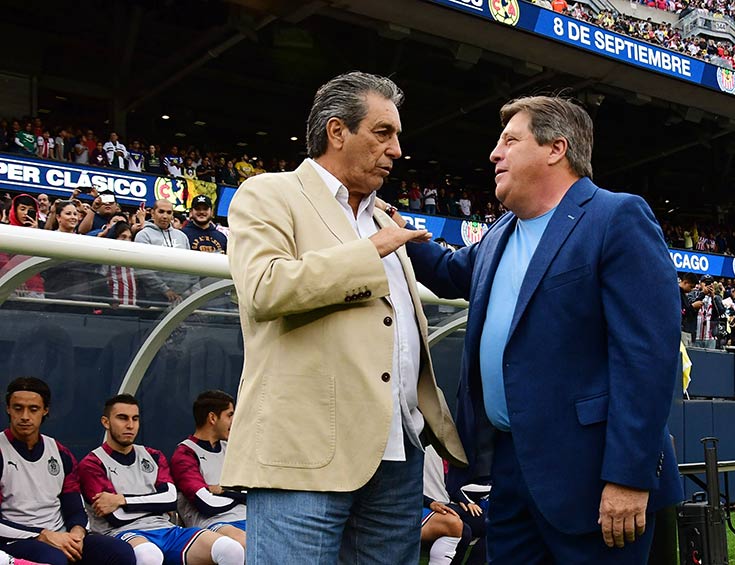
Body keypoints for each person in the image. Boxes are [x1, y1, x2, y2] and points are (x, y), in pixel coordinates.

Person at [399, 95, 683, 563]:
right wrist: (392, 227)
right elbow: (451, 272)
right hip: (511, 470)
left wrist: (629, 476)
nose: (495, 154)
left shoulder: (616, 217)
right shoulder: (499, 232)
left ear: (556, 148)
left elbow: (647, 360)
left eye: (510, 141)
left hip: (594, 476)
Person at [221, 71, 467, 565]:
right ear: (337, 132)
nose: (396, 150)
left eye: (396, 136)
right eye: (383, 133)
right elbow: (265, 288)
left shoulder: (384, 219)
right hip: (305, 455)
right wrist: (371, 250)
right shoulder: (270, 193)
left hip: (397, 455)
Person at [77, 395, 244, 565]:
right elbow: (116, 516)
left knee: (230, 549)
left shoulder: (154, 456)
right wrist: (157, 503)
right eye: (122, 418)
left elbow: (170, 499)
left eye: (135, 419)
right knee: (150, 555)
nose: (130, 425)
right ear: (106, 422)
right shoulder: (92, 463)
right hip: (125, 533)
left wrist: (122, 500)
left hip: (166, 530)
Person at [0, 378, 136, 565]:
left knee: (119, 552)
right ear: (8, 408)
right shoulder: (1, 450)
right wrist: (42, 535)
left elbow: (75, 508)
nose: (25, 416)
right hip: (16, 539)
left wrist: (77, 533)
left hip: (62, 536)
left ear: (45, 410)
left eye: (33, 409)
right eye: (18, 408)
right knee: (55, 559)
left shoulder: (59, 452)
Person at [170, 391, 245, 548]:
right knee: (248, 544)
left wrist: (223, 491)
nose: (235, 421)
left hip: (247, 519)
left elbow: (252, 491)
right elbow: (206, 503)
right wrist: (238, 495)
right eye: (229, 415)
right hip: (213, 524)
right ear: (212, 418)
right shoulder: (185, 454)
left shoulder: (231, 449)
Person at [134, 200, 197, 304]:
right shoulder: (143, 235)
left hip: (183, 297)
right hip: (154, 298)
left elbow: (191, 266)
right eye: (161, 211)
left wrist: (194, 292)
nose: (165, 216)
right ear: (152, 213)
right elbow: (143, 268)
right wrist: (165, 290)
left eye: (169, 212)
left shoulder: (182, 236)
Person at [679, 272, 702, 346]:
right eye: (691, 287)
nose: (691, 290)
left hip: (685, 329)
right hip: (679, 330)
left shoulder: (684, 295)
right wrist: (692, 307)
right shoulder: (677, 293)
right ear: (685, 282)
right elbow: (680, 311)